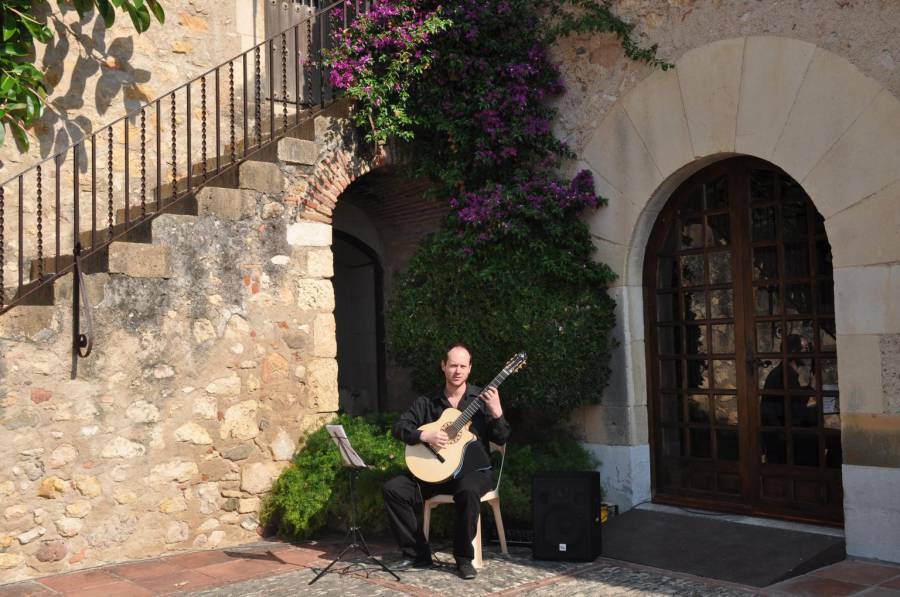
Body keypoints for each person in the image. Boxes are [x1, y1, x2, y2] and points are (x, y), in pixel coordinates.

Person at [382, 343, 511, 580]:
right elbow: (399, 427)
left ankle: (463, 558)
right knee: (394, 489)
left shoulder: (482, 399)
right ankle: (417, 553)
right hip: (436, 472)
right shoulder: (428, 401)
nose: (457, 371)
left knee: (468, 491)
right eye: (453, 365)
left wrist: (497, 411)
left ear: (470, 369)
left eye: (463, 366)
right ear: (443, 366)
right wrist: (424, 435)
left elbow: (502, 437)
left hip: (472, 472)